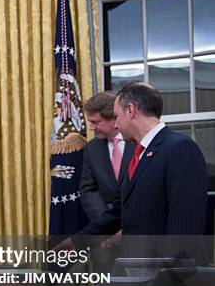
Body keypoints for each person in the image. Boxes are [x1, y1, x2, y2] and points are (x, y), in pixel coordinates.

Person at [77, 81, 207, 236]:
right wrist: (76, 242)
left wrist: (170, 261)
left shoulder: (180, 148)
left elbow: (186, 225)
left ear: (130, 111)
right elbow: (120, 211)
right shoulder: (141, 153)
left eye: (117, 117)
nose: (116, 125)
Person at [80, 91, 135, 223]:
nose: (92, 128)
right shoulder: (91, 149)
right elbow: (89, 190)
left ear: (113, 118)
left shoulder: (138, 142)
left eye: (95, 122)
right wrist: (106, 223)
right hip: (106, 229)